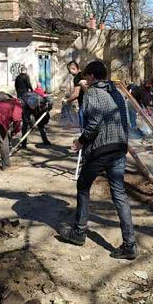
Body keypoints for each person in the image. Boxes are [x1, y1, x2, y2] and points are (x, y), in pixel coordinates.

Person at [59, 61, 138, 260]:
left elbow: (93, 125)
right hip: (120, 148)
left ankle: (79, 232)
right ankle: (130, 244)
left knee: (83, 185)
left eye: (87, 76)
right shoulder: (117, 92)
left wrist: (80, 142)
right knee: (119, 194)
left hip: (101, 150)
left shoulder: (93, 93)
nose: (84, 80)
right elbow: (127, 121)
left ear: (93, 77)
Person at [66, 61, 86, 128]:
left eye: (69, 70)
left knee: (83, 126)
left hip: (83, 104)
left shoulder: (77, 77)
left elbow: (76, 94)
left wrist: (67, 101)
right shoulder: (85, 75)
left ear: (74, 68)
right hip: (90, 103)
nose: (70, 73)